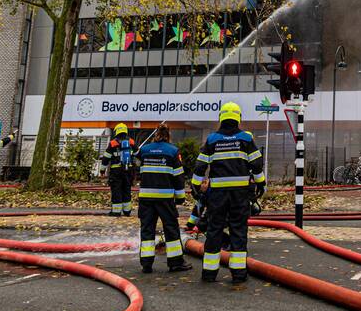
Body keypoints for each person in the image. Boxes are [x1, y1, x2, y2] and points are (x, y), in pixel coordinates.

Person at [190, 101, 265, 284]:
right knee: (238, 231)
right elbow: (256, 164)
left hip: (217, 196)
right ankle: (239, 274)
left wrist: (195, 186)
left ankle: (209, 273)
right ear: (238, 118)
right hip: (240, 195)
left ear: (221, 117)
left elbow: (200, 166)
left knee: (214, 230)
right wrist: (261, 183)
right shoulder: (246, 139)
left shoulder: (212, 139)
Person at [133, 125, 191, 274]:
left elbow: (136, 163)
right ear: (168, 135)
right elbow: (179, 177)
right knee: (171, 229)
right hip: (165, 199)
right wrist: (180, 197)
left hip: (146, 198)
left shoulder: (145, 150)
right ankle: (176, 263)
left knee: (147, 230)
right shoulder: (172, 151)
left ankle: (146, 264)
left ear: (155, 135)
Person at [101, 123, 134, 216]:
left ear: (116, 131)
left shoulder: (112, 143)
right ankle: (127, 211)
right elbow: (138, 154)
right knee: (127, 190)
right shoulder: (131, 142)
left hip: (116, 172)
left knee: (116, 190)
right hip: (128, 171)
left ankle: (116, 211)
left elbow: (105, 158)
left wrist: (102, 170)